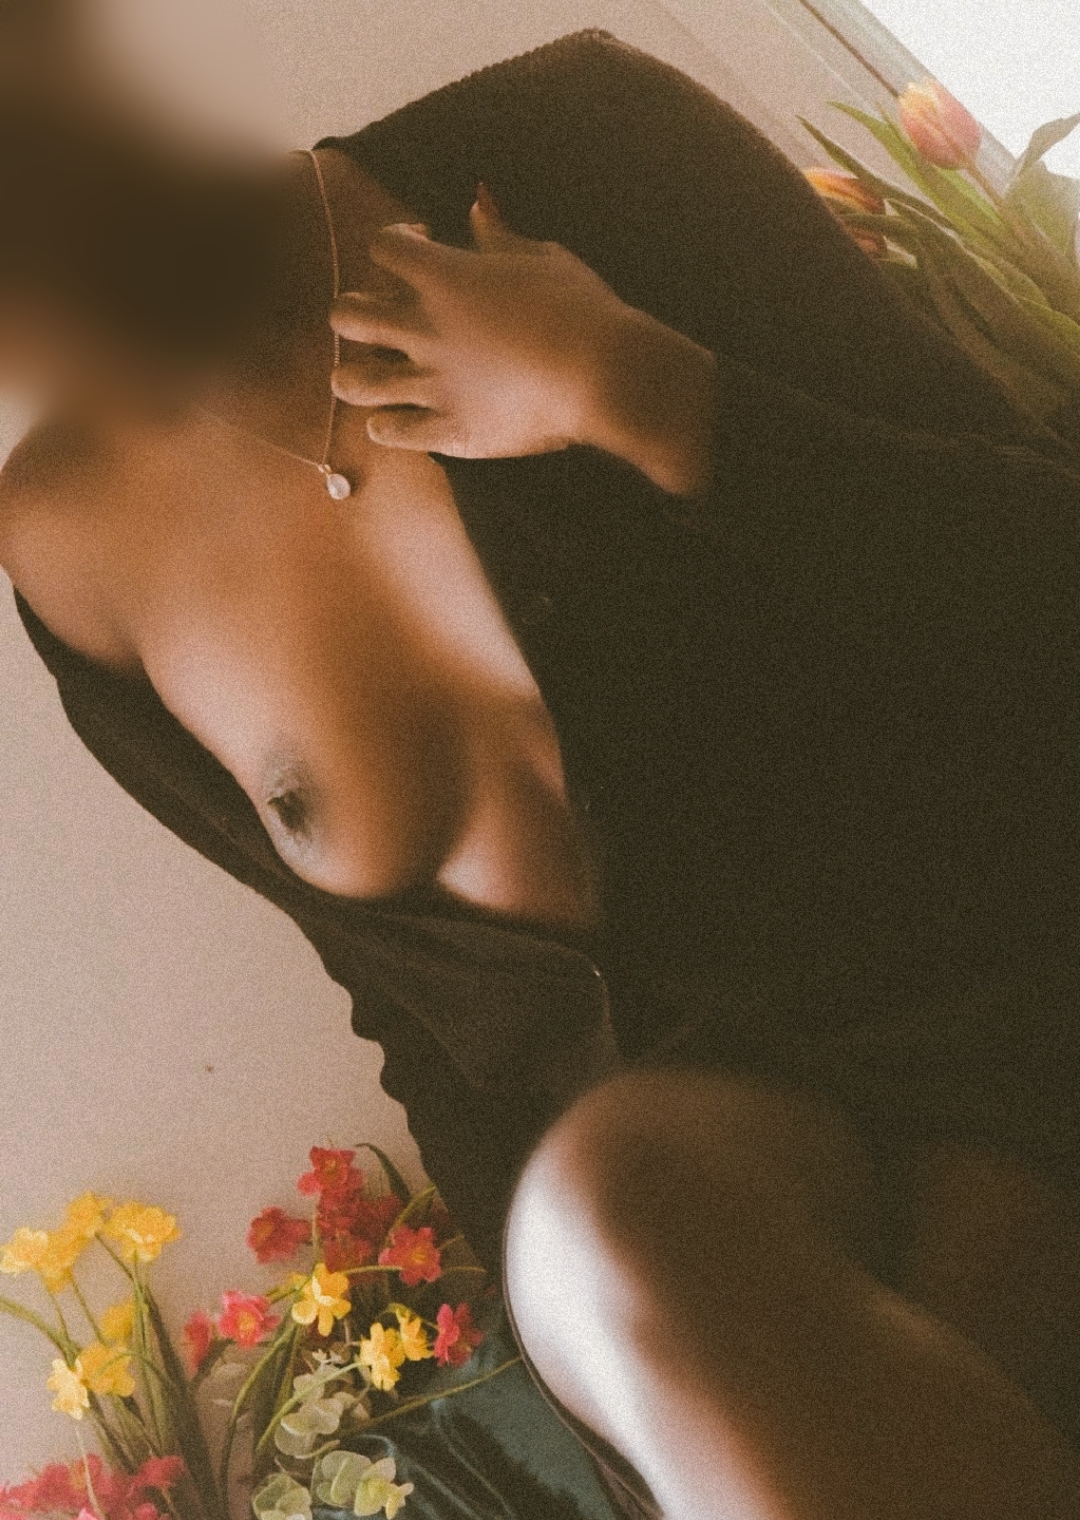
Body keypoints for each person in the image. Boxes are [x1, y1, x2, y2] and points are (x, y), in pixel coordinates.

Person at [2, 23, 1079, 1515]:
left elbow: (1043, 588)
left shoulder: (577, 150)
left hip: (995, 1013)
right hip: (682, 1214)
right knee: (617, 1215)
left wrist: (643, 389)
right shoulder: (67, 551)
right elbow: (426, 1020)